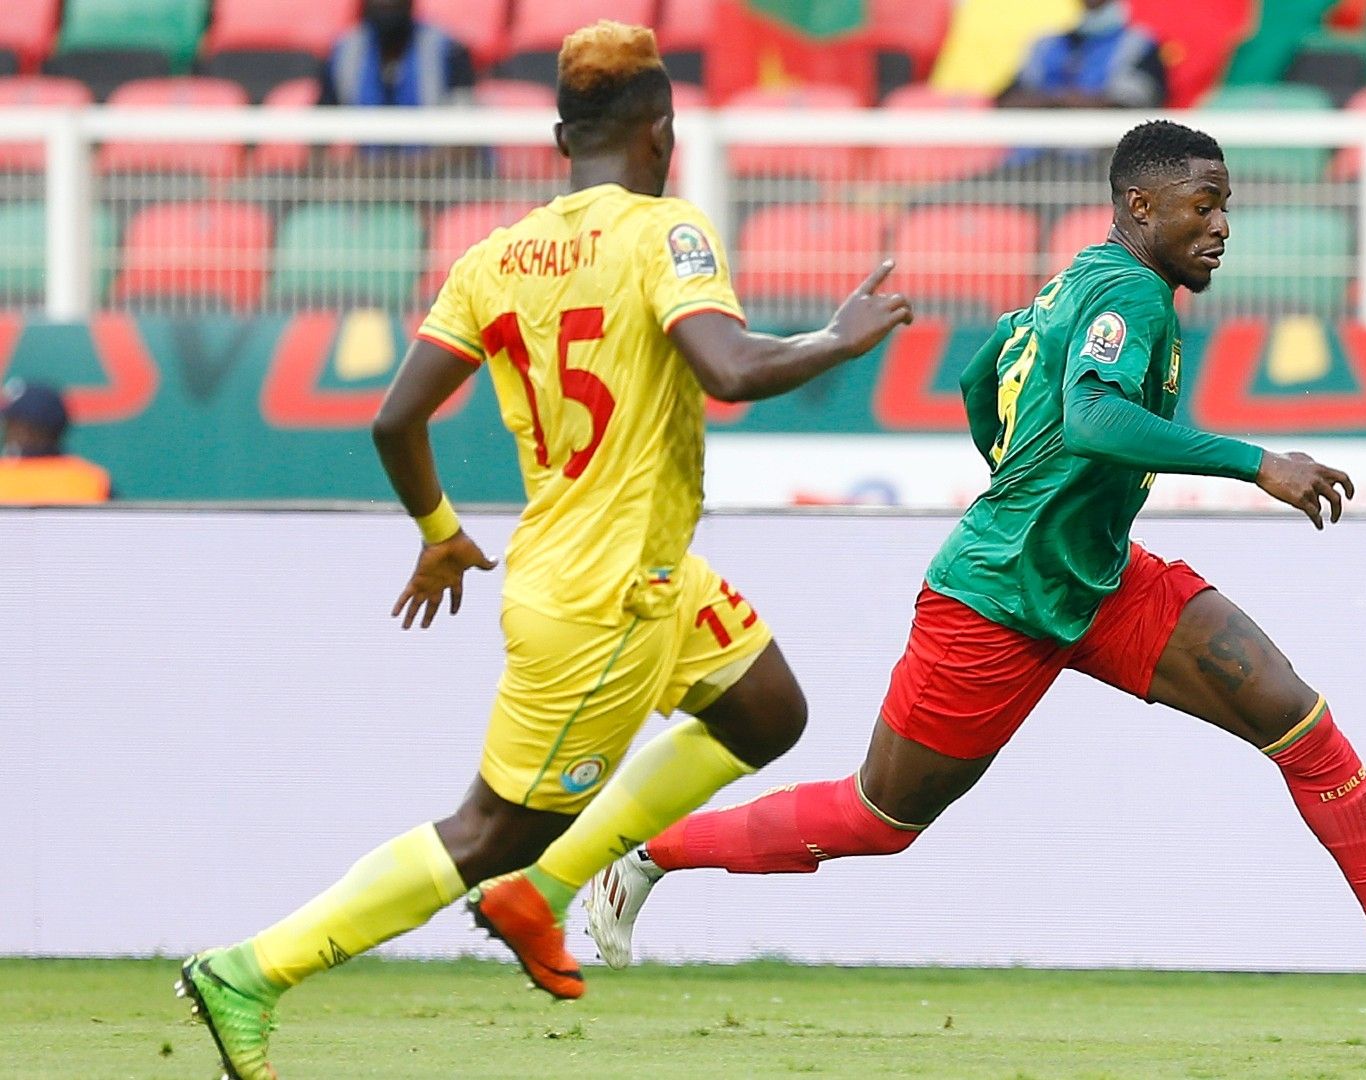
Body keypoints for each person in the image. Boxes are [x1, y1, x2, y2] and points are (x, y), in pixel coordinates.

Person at [584, 120, 1366, 995]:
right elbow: (1094, 416)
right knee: (880, 818)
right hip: (996, 599)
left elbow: (979, 367)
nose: (1223, 225)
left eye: (1226, 204)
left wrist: (1013, 468)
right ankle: (644, 853)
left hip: (1102, 576)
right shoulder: (1131, 293)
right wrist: (1258, 463)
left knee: (1296, 720)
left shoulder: (1079, 280)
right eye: (1205, 204)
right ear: (1141, 207)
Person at [177, 21, 913, 1080]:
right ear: (663, 135)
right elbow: (731, 370)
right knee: (488, 831)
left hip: (628, 566)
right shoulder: (666, 234)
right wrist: (835, 339)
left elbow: (395, 419)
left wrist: (440, 533)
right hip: (604, 600)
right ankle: (254, 969)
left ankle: (547, 890)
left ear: (563, 139)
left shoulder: (492, 257)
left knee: (768, 712)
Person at [997, 0, 1166, 110]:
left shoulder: (1138, 44)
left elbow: (1134, 103)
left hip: (1104, 158)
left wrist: (1064, 102)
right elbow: (1006, 100)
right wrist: (1060, 100)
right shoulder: (1046, 45)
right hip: (1036, 159)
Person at [320, 0, 475, 109]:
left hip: (433, 154)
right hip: (367, 155)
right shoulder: (345, 51)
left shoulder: (449, 51)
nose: (387, 5)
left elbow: (465, 133)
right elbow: (322, 127)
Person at [0, 381, 110, 505]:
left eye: (11, 424)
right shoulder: (91, 478)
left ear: (27, 430)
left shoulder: (92, 480)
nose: (7, 431)